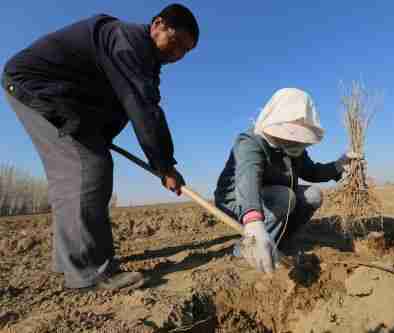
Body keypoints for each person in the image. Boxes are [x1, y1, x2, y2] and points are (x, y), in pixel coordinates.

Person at [1, 4, 199, 291]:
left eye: (185, 51)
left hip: (64, 97)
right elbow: (142, 108)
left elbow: (119, 106)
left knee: (85, 168)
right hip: (35, 86)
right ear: (157, 24)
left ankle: (74, 260)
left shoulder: (145, 61)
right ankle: (88, 272)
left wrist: (103, 136)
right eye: (177, 42)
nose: (178, 54)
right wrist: (164, 165)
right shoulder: (128, 41)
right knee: (89, 166)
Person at [214, 88, 363, 273]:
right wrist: (254, 223)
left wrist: (338, 165)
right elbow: (247, 179)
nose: (295, 143)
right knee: (286, 197)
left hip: (271, 196)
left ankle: (279, 240)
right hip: (238, 199)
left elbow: (312, 172)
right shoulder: (249, 142)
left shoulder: (294, 147)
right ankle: (246, 250)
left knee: (312, 195)